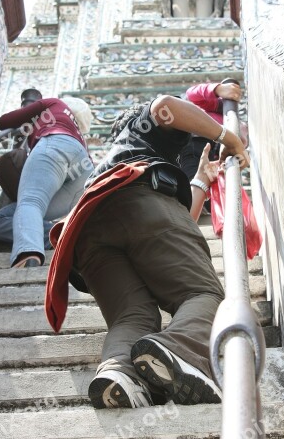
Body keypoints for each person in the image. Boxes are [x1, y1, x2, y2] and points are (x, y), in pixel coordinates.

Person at [45, 94, 249, 409]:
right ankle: (177, 350)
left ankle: (120, 372)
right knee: (202, 294)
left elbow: (169, 231)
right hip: (141, 203)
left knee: (133, 315)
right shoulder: (141, 126)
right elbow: (165, 105)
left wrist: (201, 181)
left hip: (86, 231)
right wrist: (228, 137)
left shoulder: (112, 162)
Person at [0, 88, 94, 268]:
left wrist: (31, 114)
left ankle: (28, 250)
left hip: (55, 145)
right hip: (84, 169)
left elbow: (4, 122)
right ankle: (72, 236)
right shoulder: (80, 136)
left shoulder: (54, 103)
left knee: (30, 202)